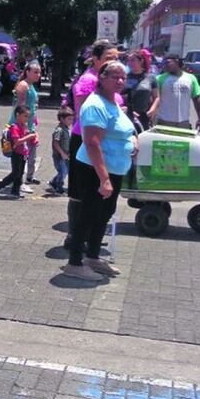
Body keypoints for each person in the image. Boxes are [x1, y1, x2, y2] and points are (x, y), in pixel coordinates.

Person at [62, 61, 137, 282]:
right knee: (87, 215)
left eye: (123, 77)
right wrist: (104, 179)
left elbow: (122, 130)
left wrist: (133, 140)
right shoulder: (95, 105)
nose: (121, 81)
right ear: (102, 78)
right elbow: (93, 143)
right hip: (96, 170)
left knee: (103, 214)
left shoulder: (112, 102)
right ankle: (74, 263)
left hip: (114, 169)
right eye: (115, 76)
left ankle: (93, 257)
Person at [64, 40, 120, 251]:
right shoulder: (88, 81)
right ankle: (75, 237)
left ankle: (88, 235)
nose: (113, 62)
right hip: (87, 140)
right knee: (81, 191)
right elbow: (84, 116)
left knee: (96, 192)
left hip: (102, 140)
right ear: (95, 59)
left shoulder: (109, 81)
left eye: (116, 58)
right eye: (108, 58)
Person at [0, 105, 36, 199]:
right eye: (25, 116)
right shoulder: (15, 127)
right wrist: (29, 137)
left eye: (28, 116)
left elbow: (25, 138)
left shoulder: (23, 126)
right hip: (16, 153)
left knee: (20, 173)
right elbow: (17, 141)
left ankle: (15, 190)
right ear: (18, 115)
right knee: (15, 173)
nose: (27, 119)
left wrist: (31, 136)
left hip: (23, 153)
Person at [149, 54, 200, 131]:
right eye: (164, 63)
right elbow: (155, 99)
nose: (165, 65)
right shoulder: (159, 79)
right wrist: (151, 117)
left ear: (177, 62)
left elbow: (197, 98)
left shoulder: (191, 78)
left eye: (168, 62)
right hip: (163, 122)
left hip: (183, 123)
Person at [14, 60, 43, 190]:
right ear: (27, 72)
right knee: (22, 156)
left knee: (31, 153)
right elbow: (21, 109)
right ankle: (19, 182)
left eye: (39, 72)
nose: (38, 75)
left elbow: (31, 107)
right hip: (22, 126)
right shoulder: (23, 86)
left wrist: (34, 122)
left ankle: (29, 177)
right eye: (35, 72)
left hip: (29, 124)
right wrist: (24, 128)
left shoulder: (30, 86)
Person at [124, 49, 158, 131]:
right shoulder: (124, 77)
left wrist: (153, 109)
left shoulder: (150, 78)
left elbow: (156, 97)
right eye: (128, 61)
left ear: (141, 61)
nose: (130, 63)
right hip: (127, 114)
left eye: (133, 60)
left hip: (145, 116)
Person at [48, 108, 73, 195]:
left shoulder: (66, 129)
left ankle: (53, 182)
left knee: (65, 171)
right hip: (59, 156)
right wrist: (62, 153)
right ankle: (58, 186)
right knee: (63, 171)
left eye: (72, 119)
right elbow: (55, 142)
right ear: (62, 119)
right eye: (69, 119)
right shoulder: (59, 130)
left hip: (66, 155)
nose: (71, 121)